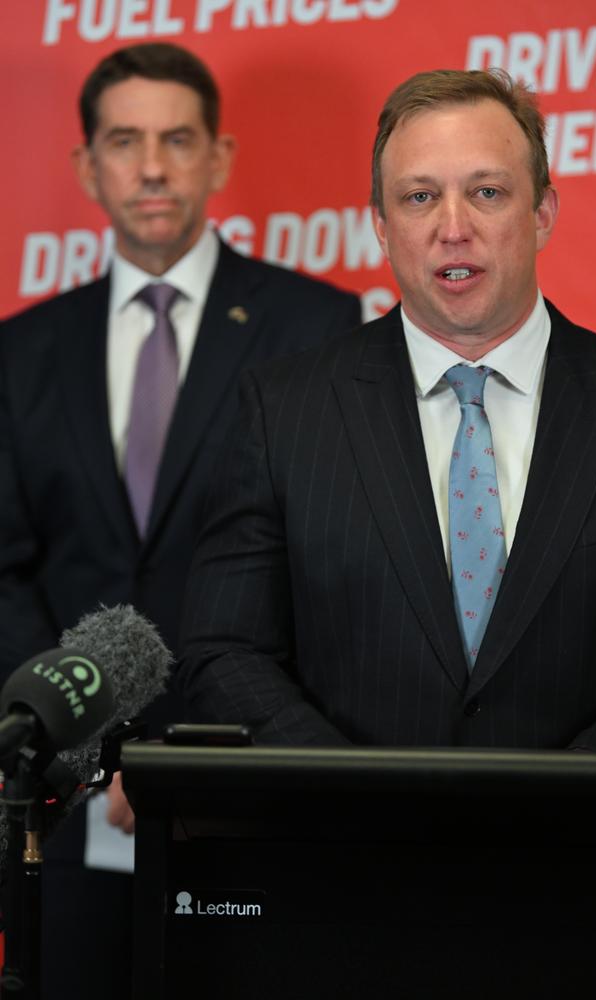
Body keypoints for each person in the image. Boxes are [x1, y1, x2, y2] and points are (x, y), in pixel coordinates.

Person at [0, 42, 360, 999]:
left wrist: (187, 764)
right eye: (124, 140)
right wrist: (86, 758)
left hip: (246, 802)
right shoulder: (21, 350)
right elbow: (8, 568)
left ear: (220, 157)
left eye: (176, 138)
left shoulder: (318, 328)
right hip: (65, 823)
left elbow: (322, 569)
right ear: (86, 165)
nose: (151, 166)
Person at [179, 68, 596, 751]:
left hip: (582, 848)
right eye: (420, 197)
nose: (452, 228)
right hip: (350, 846)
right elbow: (224, 651)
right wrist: (358, 798)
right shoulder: (284, 413)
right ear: (381, 224)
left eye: (486, 193)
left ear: (543, 213)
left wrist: (564, 805)